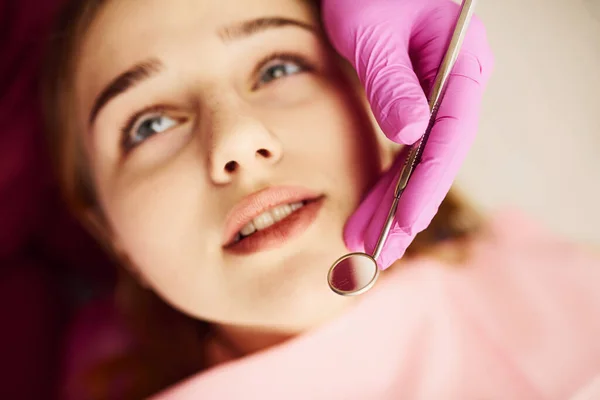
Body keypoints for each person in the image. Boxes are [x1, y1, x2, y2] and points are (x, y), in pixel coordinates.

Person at [41, 0, 600, 398]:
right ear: (109, 233)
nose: (237, 140)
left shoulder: (555, 274)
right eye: (150, 124)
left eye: (279, 67)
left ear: (374, 88)